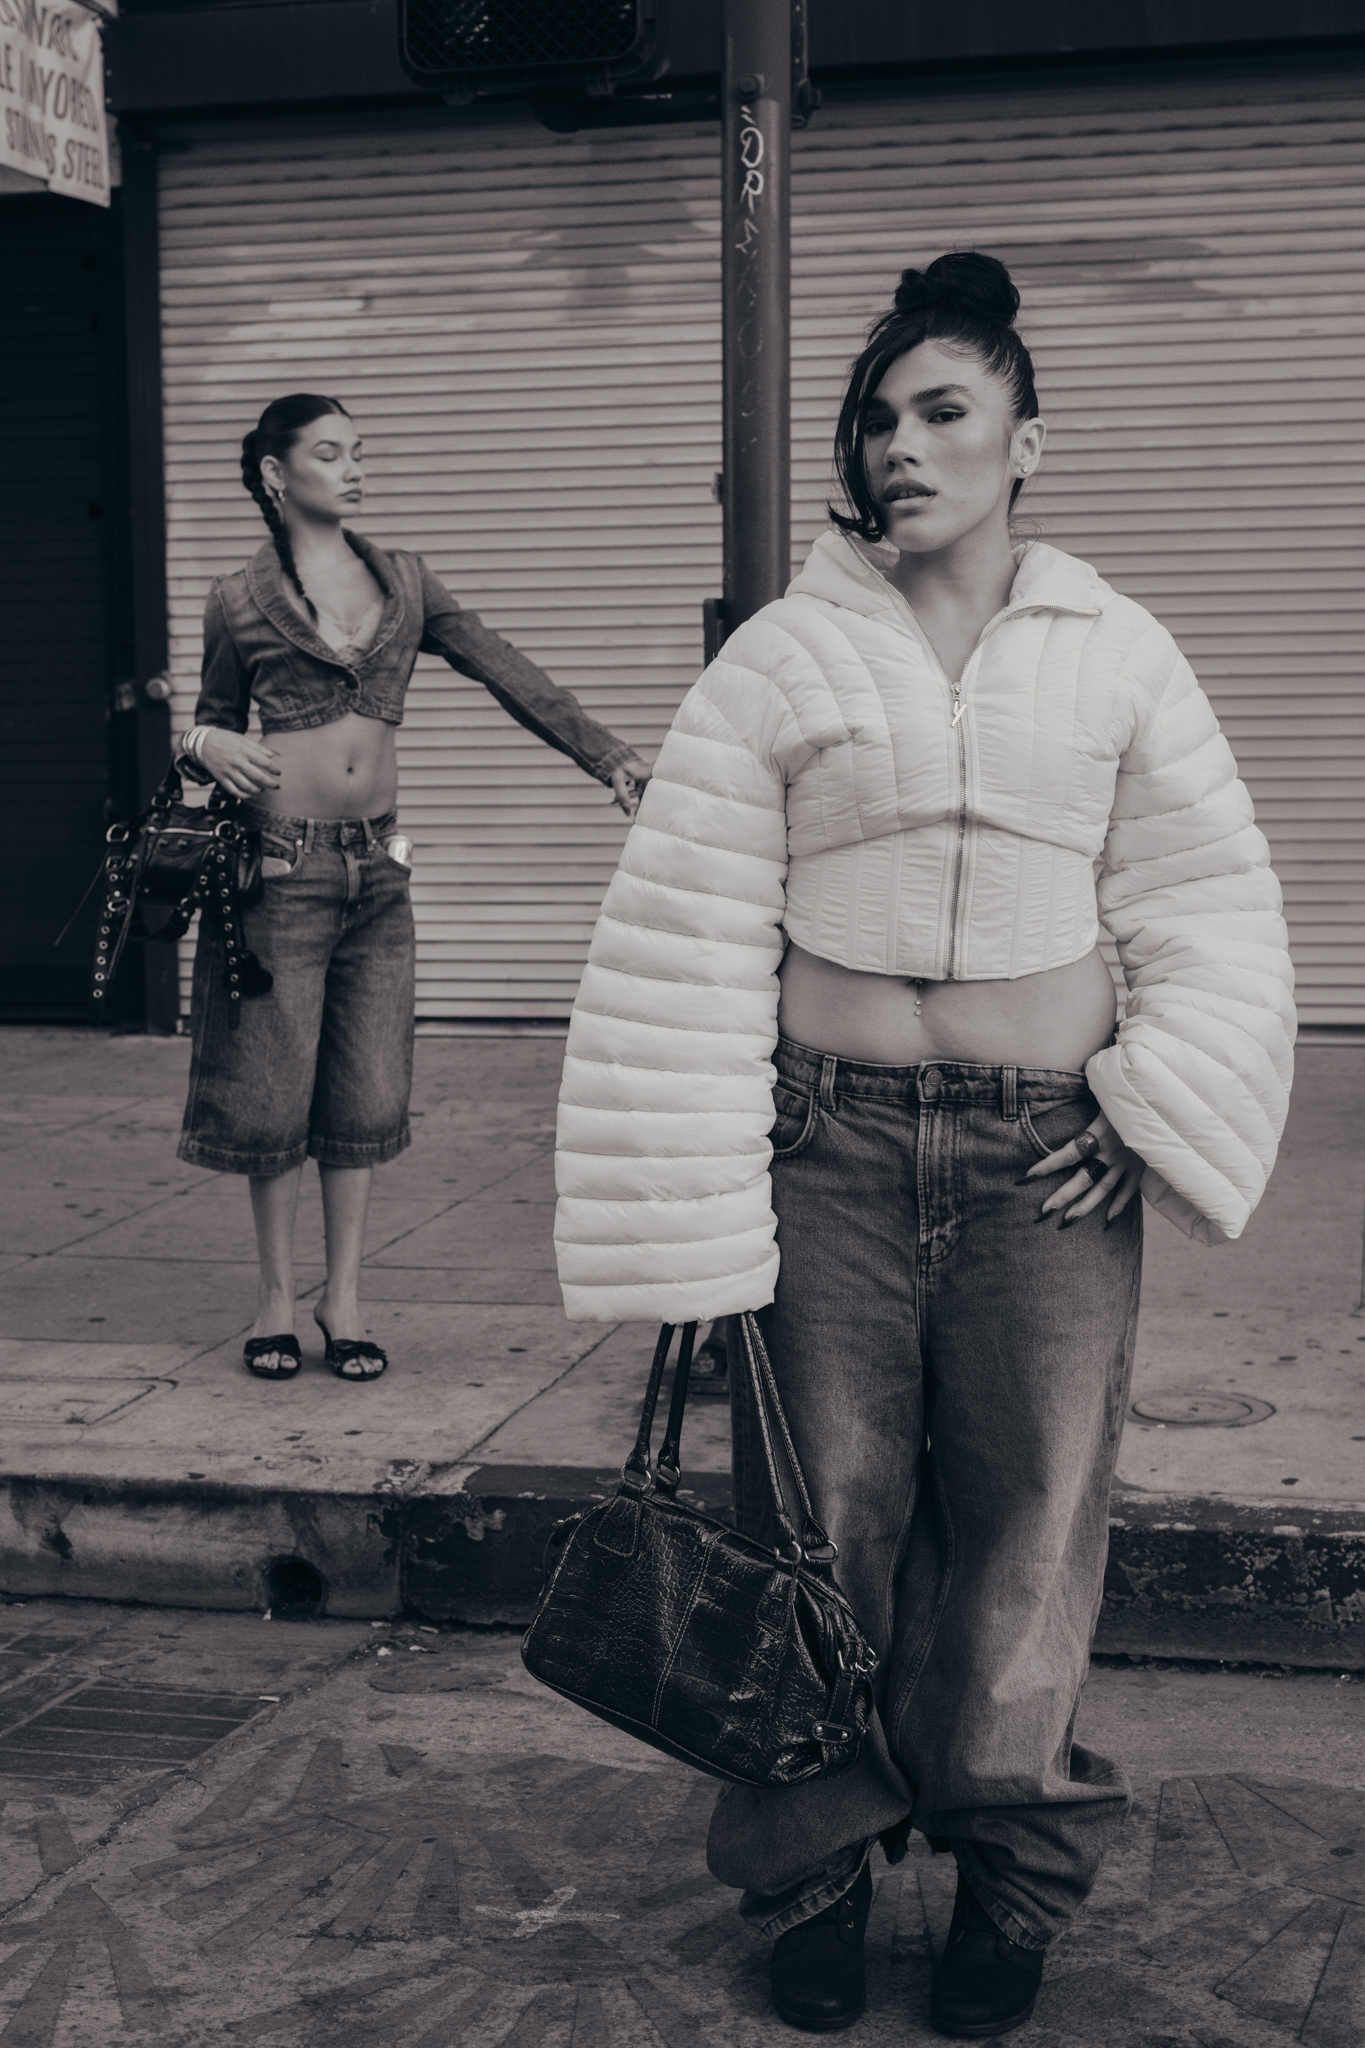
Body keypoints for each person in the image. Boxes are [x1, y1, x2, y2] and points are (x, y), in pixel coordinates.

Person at [553, 255, 1294, 2036]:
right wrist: (699, 1166)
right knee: (821, 1523)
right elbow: (690, 919)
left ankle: (1010, 1877)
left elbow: (1207, 897)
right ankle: (815, 1864)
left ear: (1027, 440)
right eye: (877, 418)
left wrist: (1149, 1098)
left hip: (1046, 1161)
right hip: (826, 1148)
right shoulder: (783, 652)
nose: (901, 445)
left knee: (1031, 1530)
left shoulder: (1116, 650)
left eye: (943, 411)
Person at [177, 392, 650, 1384]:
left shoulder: (407, 580)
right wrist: (202, 740)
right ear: (275, 473)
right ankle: (275, 1297)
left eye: (359, 451)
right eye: (330, 452)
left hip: (378, 871)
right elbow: (208, 723)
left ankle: (343, 1297)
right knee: (272, 1093)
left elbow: (505, 669)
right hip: (279, 866)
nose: (354, 469)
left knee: (364, 1091)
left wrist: (605, 754)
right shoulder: (235, 597)